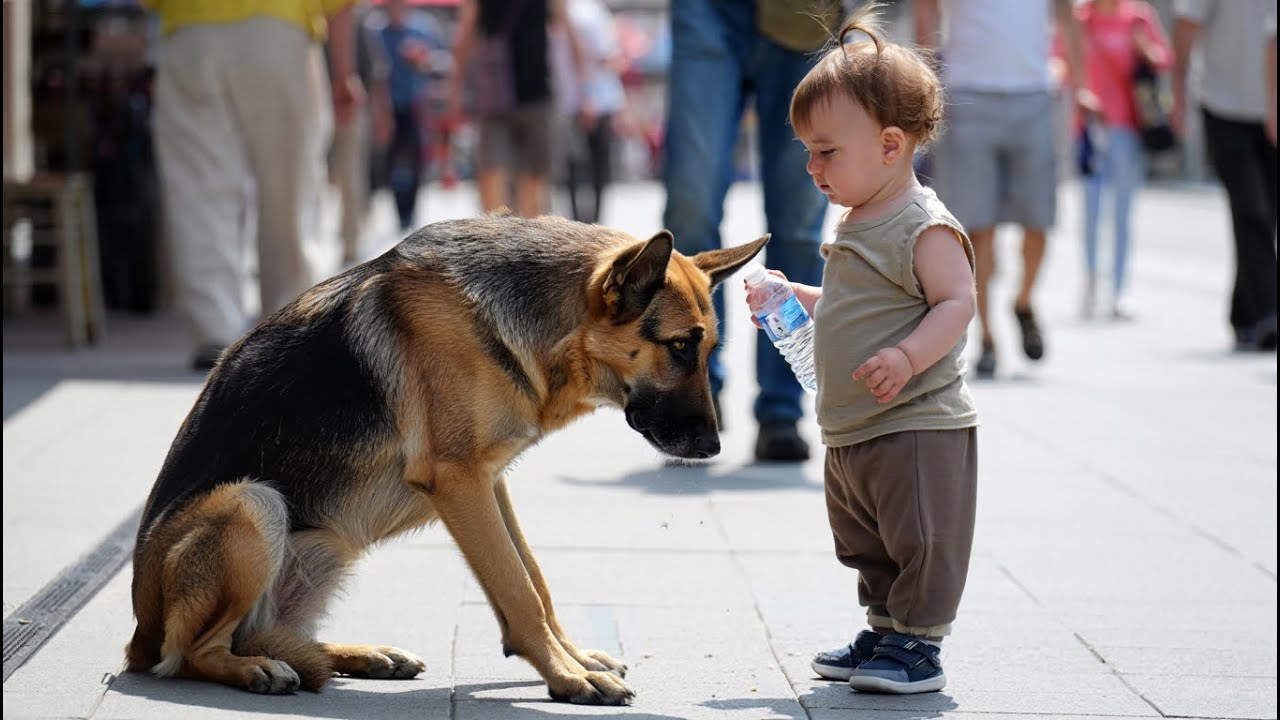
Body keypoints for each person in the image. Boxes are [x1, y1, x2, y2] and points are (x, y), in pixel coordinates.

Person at [751, 7, 979, 694]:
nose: (814, 168)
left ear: (889, 146)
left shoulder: (922, 224)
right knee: (868, 538)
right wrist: (797, 298)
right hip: (855, 423)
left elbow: (956, 302)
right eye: (808, 153)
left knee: (919, 535)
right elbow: (852, 305)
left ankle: (919, 644)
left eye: (827, 151)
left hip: (915, 420)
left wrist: (909, 357)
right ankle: (885, 628)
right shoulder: (857, 220)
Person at [663, 0, 839, 462]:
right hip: (709, 11)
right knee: (691, 203)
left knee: (800, 218)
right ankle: (695, 393)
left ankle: (783, 407)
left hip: (807, 13)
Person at [147, 0, 363, 370]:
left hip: (190, 33)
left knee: (199, 188)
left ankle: (213, 328)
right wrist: (344, 72)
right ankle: (287, 322)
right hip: (280, 31)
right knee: (289, 187)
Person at [915, 0, 1097, 378]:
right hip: (967, 95)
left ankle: (1024, 302)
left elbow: (1068, 16)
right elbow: (926, 11)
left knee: (1039, 220)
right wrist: (928, 83)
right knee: (976, 227)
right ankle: (988, 337)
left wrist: (1080, 87)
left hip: (1033, 95)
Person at [1172, 0, 1277, 352]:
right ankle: (1269, 312)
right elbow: (1187, 24)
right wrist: (1177, 91)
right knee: (1251, 210)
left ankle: (1244, 313)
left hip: (1272, 113)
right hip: (1224, 106)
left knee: (1265, 217)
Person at [1061, 0, 1172, 320]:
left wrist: (1146, 50)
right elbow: (1059, 62)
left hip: (1127, 128)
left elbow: (1164, 59)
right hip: (1090, 129)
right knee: (1091, 212)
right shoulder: (1079, 19)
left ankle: (1120, 291)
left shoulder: (1137, 17)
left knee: (1122, 212)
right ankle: (1091, 282)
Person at [449, 0, 581, 218]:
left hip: (537, 97)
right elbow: (464, 38)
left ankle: (529, 244)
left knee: (534, 179)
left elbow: (568, 32)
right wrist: (455, 90)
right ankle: (495, 242)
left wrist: (580, 90)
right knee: (492, 172)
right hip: (494, 99)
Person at [329, 0, 392, 264]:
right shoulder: (355, 15)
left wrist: (380, 112)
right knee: (343, 173)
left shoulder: (359, 18)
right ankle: (350, 236)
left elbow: (376, 75)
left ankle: (350, 239)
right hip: (330, 98)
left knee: (349, 173)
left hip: (349, 103)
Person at [557, 0, 626, 224]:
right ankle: (592, 224)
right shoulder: (588, 12)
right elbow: (603, 57)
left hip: (577, 100)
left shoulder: (575, 11)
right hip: (594, 100)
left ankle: (581, 224)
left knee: (576, 171)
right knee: (595, 172)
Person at [380, 0, 443, 233]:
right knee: (393, 159)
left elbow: (441, 63)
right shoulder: (377, 33)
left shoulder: (423, 28)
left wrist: (422, 59)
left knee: (417, 157)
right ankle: (400, 212)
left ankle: (411, 211)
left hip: (417, 105)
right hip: (389, 107)